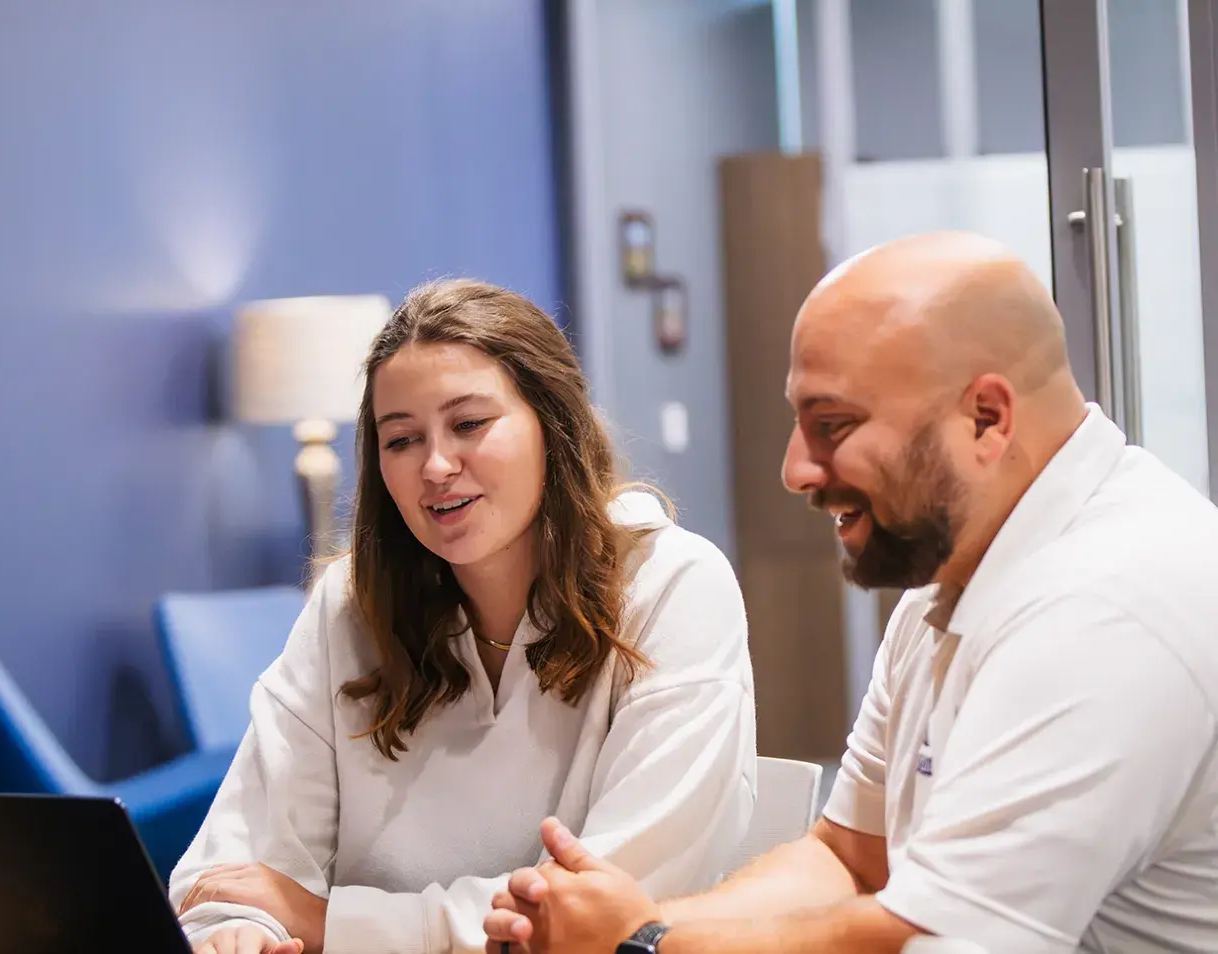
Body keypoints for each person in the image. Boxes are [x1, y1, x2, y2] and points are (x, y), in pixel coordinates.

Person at [483, 231, 1218, 954]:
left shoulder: (1104, 608)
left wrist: (642, 942)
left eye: (832, 425)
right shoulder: (952, 586)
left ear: (986, 419)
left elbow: (937, 938)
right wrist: (632, 929)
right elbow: (851, 858)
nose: (796, 469)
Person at [169, 279, 757, 954]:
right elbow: (233, 869)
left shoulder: (674, 586)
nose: (437, 465)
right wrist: (246, 932)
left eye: (470, 425)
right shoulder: (351, 603)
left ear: (553, 424)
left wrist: (335, 925)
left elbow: (597, 914)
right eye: (401, 439)